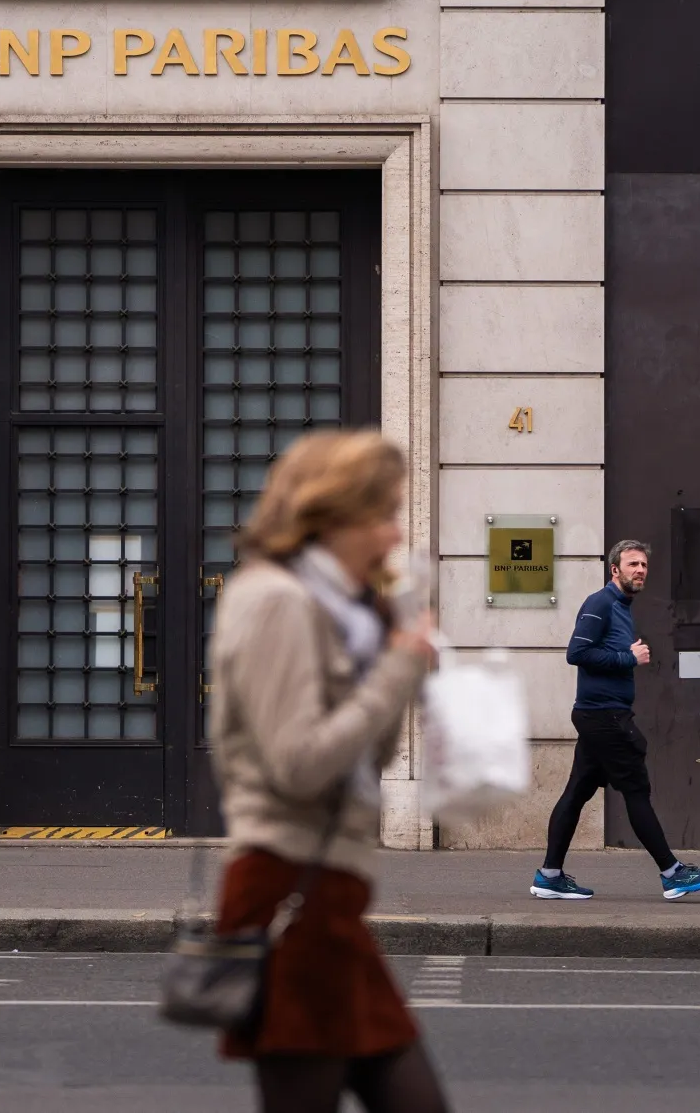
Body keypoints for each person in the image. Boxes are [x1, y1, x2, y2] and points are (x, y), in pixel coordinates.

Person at [208, 429, 450, 1113]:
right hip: (290, 892)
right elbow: (299, 764)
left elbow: (358, 764)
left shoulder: (334, 611)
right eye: (384, 514)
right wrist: (397, 665)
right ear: (336, 514)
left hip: (329, 894)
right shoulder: (276, 601)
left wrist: (388, 656)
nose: (394, 535)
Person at [533, 539, 700, 902]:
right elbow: (577, 653)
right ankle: (672, 873)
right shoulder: (600, 603)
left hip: (599, 715)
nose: (640, 571)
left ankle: (549, 876)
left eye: (644, 565)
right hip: (604, 717)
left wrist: (624, 657)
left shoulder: (621, 606)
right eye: (632, 564)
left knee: (577, 791)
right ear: (614, 569)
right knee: (636, 791)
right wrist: (627, 657)